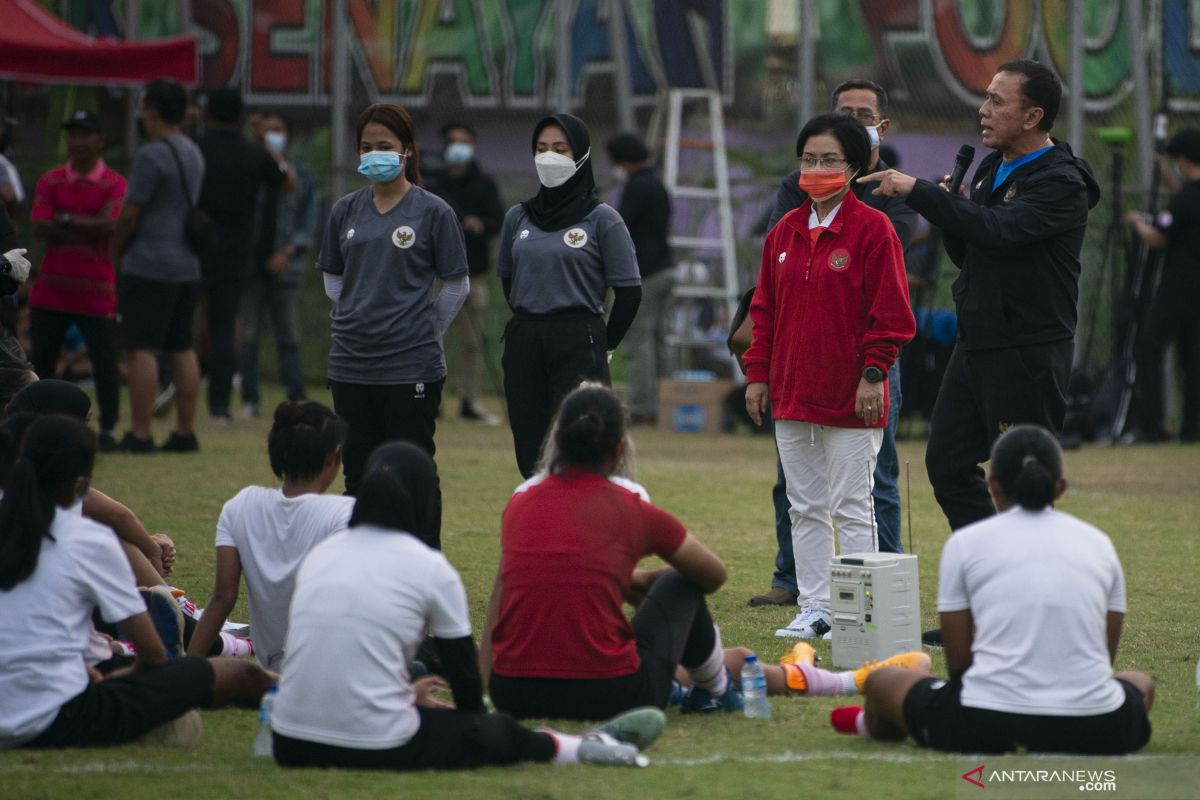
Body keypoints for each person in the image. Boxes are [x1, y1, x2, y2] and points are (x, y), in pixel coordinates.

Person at [272, 440, 660, 769]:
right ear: (424, 499)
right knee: (494, 731)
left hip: (287, 742)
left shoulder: (321, 555)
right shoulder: (428, 568)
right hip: (375, 743)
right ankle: (580, 747)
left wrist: (404, 695)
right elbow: (467, 687)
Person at [858, 59, 1100, 532]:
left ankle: (1029, 585)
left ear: (1032, 117)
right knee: (947, 466)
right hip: (976, 346)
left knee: (1024, 477)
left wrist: (925, 195)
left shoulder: (1060, 182)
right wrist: (955, 209)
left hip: (1027, 350)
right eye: (985, 97)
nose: (983, 110)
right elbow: (973, 253)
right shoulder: (992, 167)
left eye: (996, 100)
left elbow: (1002, 231)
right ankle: (992, 563)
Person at [833, 426, 1154, 755]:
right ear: (1060, 487)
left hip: (986, 722)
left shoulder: (967, 543)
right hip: (1096, 725)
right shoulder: (1100, 544)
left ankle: (866, 724)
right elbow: (1104, 658)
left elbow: (959, 665)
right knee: (1141, 682)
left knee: (881, 680)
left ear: (993, 485)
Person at [0, 415, 276, 748]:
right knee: (237, 675)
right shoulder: (89, 540)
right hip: (56, 717)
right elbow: (153, 656)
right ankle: (315, 705)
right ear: (82, 483)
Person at [743, 114, 914, 639]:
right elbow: (764, 312)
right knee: (805, 506)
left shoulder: (873, 229)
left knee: (853, 504)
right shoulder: (783, 233)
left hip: (853, 396)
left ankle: (860, 615)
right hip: (793, 394)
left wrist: (871, 374)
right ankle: (815, 606)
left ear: (857, 165)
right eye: (808, 160)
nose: (816, 170)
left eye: (829, 160)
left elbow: (893, 317)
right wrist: (757, 376)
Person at [317, 103, 468, 511]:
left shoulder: (434, 211)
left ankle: (423, 562)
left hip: (411, 365)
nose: (374, 153)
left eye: (384, 145)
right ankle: (365, 568)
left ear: (408, 151)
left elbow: (457, 283)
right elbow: (332, 276)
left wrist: (428, 326)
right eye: (366, 146)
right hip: (350, 363)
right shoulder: (345, 210)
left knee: (411, 469)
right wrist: (359, 308)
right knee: (357, 474)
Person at [498, 114, 641, 478]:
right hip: (525, 339)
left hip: (579, 337)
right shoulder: (519, 217)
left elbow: (628, 291)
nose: (550, 157)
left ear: (580, 155)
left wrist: (603, 343)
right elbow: (508, 281)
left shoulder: (602, 219)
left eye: (560, 149)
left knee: (584, 441)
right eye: (542, 148)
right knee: (529, 444)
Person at [186, 401, 353, 670]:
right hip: (332, 668)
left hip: (274, 669)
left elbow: (223, 597)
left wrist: (186, 671)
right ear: (332, 457)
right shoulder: (345, 514)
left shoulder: (240, 506)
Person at [111, 78, 206, 454]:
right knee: (181, 346)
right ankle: (185, 431)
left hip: (149, 262)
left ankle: (141, 432)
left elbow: (130, 214)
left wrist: (116, 250)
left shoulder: (151, 156)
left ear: (150, 110)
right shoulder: (192, 151)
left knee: (141, 347)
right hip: (187, 264)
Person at [28, 111, 126, 451]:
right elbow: (39, 225)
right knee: (41, 364)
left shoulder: (114, 183)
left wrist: (64, 220)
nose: (78, 141)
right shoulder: (50, 180)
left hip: (96, 291)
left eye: (86, 134)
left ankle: (110, 429)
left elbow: (110, 225)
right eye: (73, 134)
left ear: (99, 140)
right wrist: (88, 225)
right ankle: (36, 426)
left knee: (105, 363)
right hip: (51, 292)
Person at [195, 89, 293, 422]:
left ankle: (169, 387)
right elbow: (287, 183)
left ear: (208, 114)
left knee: (179, 324)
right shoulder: (252, 154)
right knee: (224, 328)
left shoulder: (196, 149)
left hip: (192, 246)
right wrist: (264, 140)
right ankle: (219, 405)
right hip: (235, 252)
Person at [427, 121, 504, 425]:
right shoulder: (433, 182)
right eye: (453, 142)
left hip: (474, 273)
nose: (459, 148)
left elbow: (497, 222)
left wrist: (479, 225)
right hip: (436, 275)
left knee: (472, 342)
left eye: (465, 142)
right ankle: (430, 400)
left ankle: (469, 402)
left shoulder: (485, 183)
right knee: (430, 339)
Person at [1126, 128, 1200, 443]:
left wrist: (1138, 223)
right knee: (1192, 358)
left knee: (1149, 346)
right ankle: (1191, 427)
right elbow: (1182, 199)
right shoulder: (1189, 197)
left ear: (1183, 160)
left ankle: (1151, 422)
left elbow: (1158, 237)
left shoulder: (1184, 201)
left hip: (1177, 288)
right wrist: (1164, 173)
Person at [239, 112, 314, 416]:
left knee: (289, 336)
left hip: (286, 269)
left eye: (279, 130)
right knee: (248, 336)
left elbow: (308, 223)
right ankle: (249, 399)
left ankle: (296, 396)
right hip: (251, 268)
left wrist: (287, 253)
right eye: (267, 131)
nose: (273, 135)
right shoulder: (249, 171)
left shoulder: (302, 176)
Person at [606, 133, 673, 426]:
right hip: (666, 268)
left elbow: (621, 227)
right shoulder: (658, 184)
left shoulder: (636, 186)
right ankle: (668, 403)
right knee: (659, 338)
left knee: (637, 339)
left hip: (643, 272)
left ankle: (643, 406)